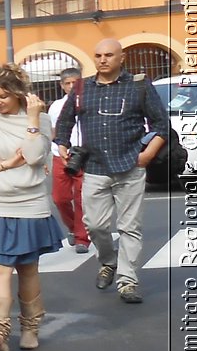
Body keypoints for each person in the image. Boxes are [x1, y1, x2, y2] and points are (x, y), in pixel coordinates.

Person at [52, 39, 169, 304]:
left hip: (130, 166)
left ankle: (127, 281)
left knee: (130, 228)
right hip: (94, 167)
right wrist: (62, 145)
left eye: (108, 55)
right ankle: (108, 261)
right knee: (95, 225)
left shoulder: (138, 86)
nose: (102, 59)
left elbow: (161, 124)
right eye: (98, 55)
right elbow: (64, 122)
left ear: (121, 57)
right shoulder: (81, 88)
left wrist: (148, 154)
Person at [0, 64, 63, 351]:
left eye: (2, 96)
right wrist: (6, 164)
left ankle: (30, 327)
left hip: (30, 204)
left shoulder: (40, 120)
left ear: (19, 94)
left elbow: (33, 156)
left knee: (28, 268)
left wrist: (32, 119)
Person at [45, 66, 92, 253]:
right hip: (61, 154)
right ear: (62, 85)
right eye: (67, 83)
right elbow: (52, 131)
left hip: (85, 155)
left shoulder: (90, 101)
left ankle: (82, 238)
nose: (71, 86)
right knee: (60, 198)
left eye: (75, 82)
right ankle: (73, 227)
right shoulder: (56, 106)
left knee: (81, 198)